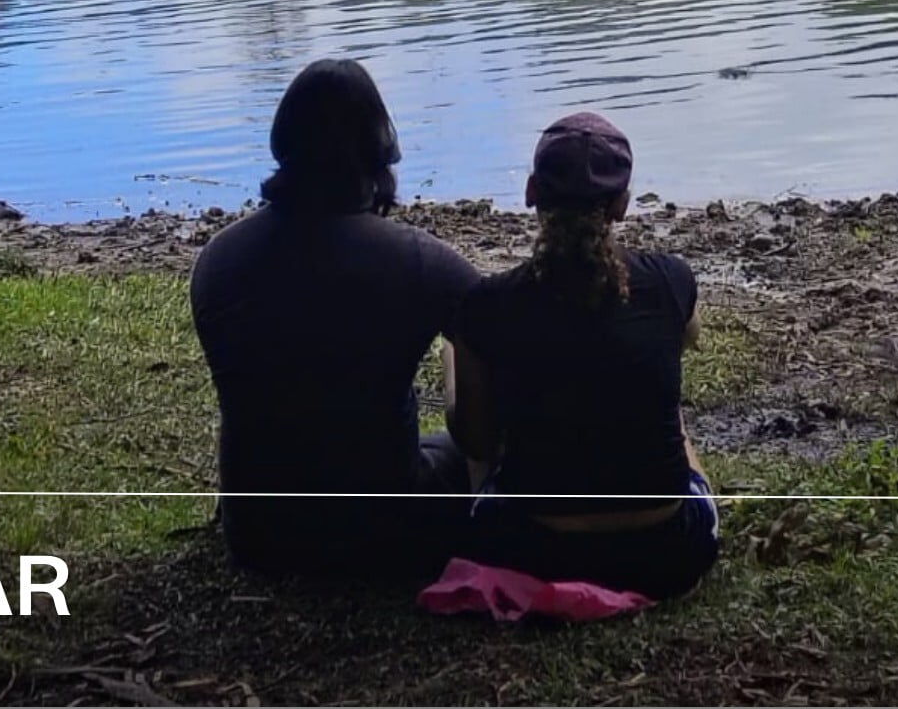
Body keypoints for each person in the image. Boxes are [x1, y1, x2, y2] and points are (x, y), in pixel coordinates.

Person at [191, 59, 480, 578]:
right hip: (385, 535)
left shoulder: (218, 259)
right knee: (468, 447)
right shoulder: (417, 260)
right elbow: (509, 337)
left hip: (257, 538)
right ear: (377, 152)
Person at [445, 112, 719, 599]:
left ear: (531, 192)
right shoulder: (670, 278)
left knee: (476, 381)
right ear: (623, 205)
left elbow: (477, 441)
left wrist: (457, 352)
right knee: (668, 413)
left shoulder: (489, 303)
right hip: (671, 553)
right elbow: (689, 338)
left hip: (531, 553)